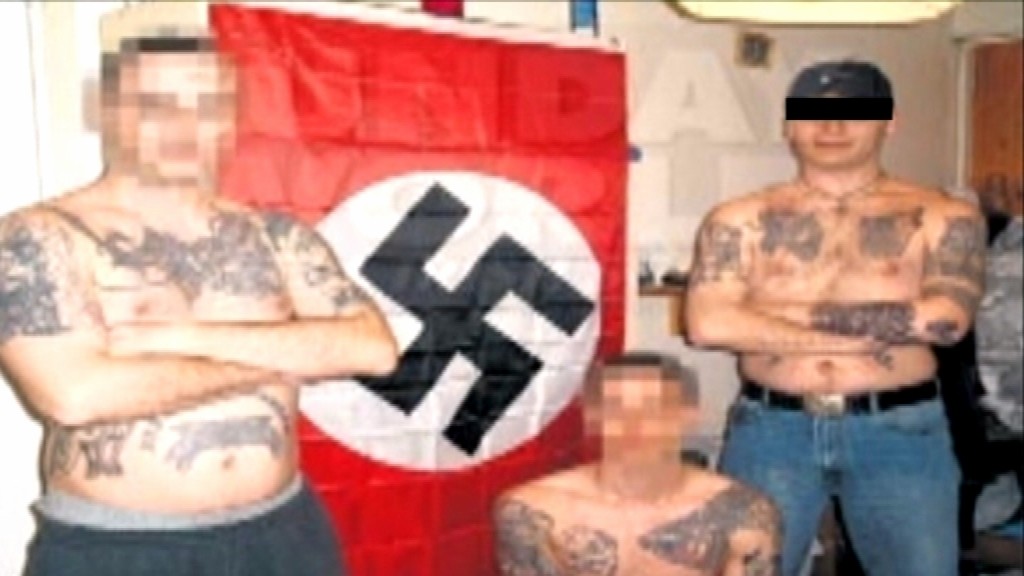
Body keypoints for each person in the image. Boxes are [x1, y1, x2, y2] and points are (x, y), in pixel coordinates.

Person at [0, 27, 398, 576]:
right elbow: (75, 395)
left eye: (206, 104)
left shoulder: (273, 235)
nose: (184, 124)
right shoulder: (37, 236)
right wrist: (284, 357)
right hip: (119, 550)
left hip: (284, 535)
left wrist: (176, 338)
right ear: (110, 113)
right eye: (158, 103)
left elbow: (372, 348)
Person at [684, 59, 987, 576]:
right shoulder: (739, 218)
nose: (831, 126)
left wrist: (769, 316)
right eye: (813, 113)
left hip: (900, 431)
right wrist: (861, 335)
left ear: (889, 122)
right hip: (771, 428)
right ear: (789, 125)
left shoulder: (943, 215)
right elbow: (708, 325)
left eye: (855, 111)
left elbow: (945, 320)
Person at [493, 352, 781, 576]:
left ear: (687, 416)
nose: (635, 424)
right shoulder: (536, 511)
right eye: (617, 407)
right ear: (593, 417)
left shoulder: (742, 512)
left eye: (653, 408)